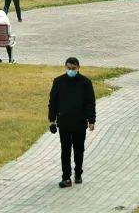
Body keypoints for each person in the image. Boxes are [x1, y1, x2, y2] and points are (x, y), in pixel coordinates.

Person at [48, 57, 96, 188]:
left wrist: (91, 120)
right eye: (68, 68)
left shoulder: (85, 82)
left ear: (78, 68)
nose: (70, 71)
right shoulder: (58, 82)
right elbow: (53, 102)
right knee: (65, 150)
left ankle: (78, 173)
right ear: (65, 67)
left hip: (80, 122)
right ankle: (66, 177)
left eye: (73, 69)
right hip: (64, 122)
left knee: (79, 149)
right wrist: (52, 120)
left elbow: (90, 103)